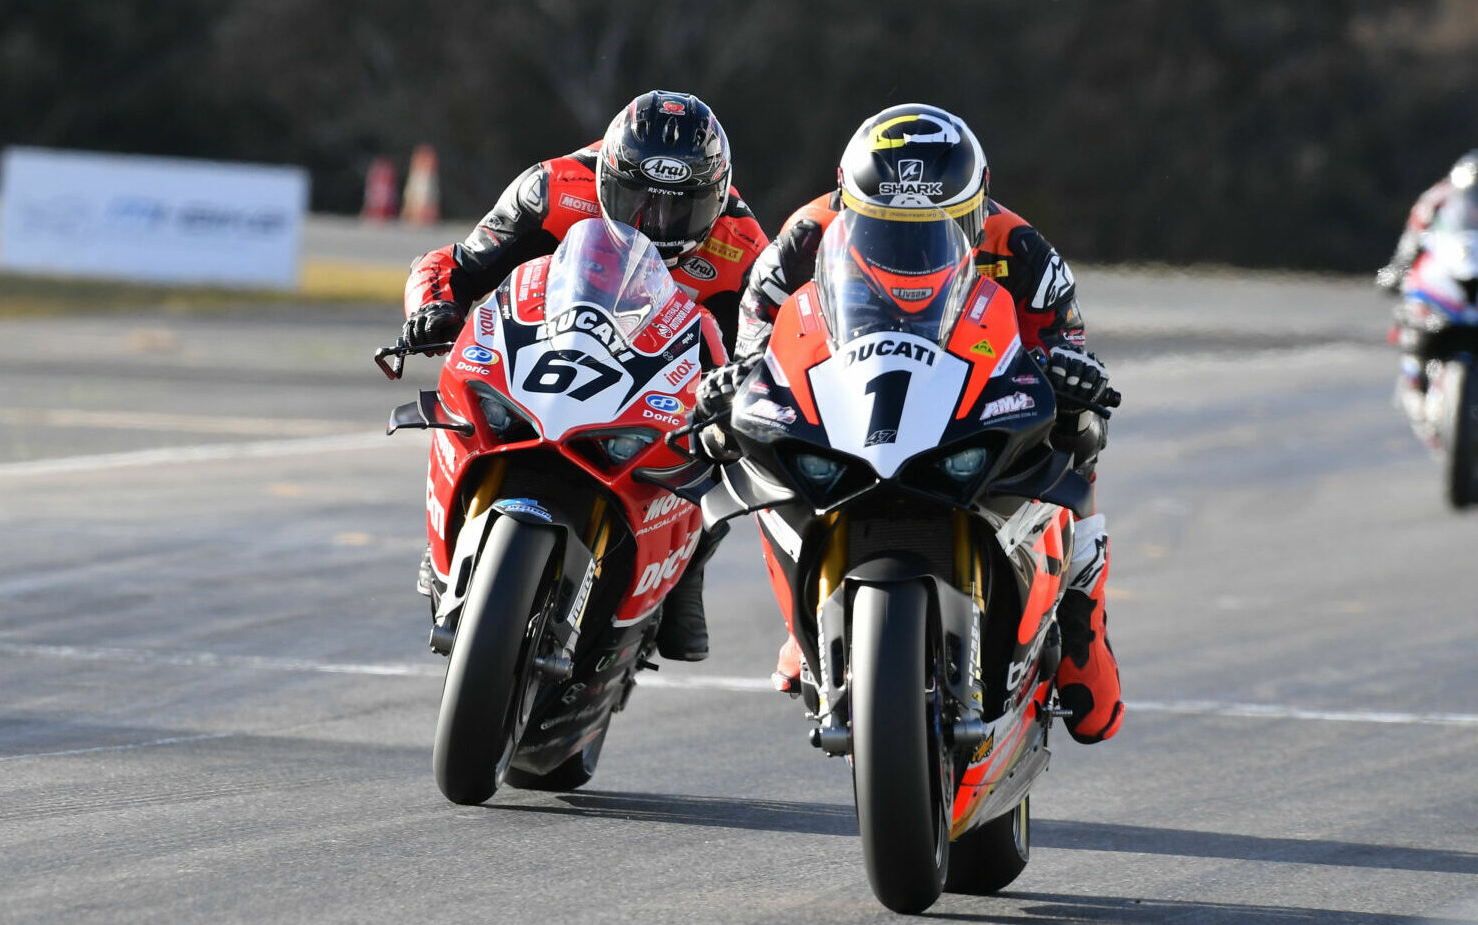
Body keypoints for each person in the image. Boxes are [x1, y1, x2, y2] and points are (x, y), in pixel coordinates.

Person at [699, 103, 1122, 743]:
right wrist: (743, 379)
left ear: (977, 209)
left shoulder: (1023, 249)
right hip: (852, 397)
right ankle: (800, 624)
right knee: (755, 442)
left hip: (967, 396)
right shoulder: (804, 237)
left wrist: (1071, 371)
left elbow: (1067, 340)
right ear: (848, 208)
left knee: (1082, 431)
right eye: (888, 227)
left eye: (942, 226)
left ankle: (1084, 616)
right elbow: (758, 335)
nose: (914, 246)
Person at [398, 90, 770, 662]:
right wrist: (435, 306)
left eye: (680, 209)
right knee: (464, 403)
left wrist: (743, 396)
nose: (656, 223)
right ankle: (451, 527)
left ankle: (687, 569)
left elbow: (763, 352)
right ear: (607, 177)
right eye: (636, 199)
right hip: (548, 350)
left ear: (716, 199)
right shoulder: (551, 190)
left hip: (654, 386)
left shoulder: (744, 250)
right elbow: (459, 264)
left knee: (730, 448)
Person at [1378, 148, 1478, 292]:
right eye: (1476, 195)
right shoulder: (1436, 199)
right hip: (1452, 259)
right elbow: (1415, 232)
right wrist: (1402, 266)